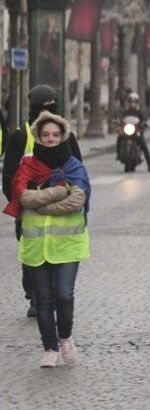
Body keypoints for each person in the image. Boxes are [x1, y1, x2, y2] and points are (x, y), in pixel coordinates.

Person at [4, 112, 91, 367]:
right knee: (42, 299)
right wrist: (58, 191)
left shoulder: (74, 166)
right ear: (38, 138)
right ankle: (50, 347)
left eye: (55, 135)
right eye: (45, 135)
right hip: (36, 245)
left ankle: (65, 338)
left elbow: (77, 201)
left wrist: (42, 202)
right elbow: (23, 197)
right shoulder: (26, 167)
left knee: (64, 295)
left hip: (67, 245)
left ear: (62, 136)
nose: (51, 139)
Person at [3, 85, 83, 318]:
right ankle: (36, 298)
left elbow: (78, 173)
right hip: (29, 210)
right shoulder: (20, 137)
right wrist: (20, 204)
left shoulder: (66, 136)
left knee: (58, 256)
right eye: (44, 107)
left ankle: (54, 295)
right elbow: (8, 176)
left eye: (53, 107)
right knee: (32, 257)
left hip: (61, 212)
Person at [118, 92, 150, 171]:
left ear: (137, 103)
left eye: (134, 102)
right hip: (126, 131)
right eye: (131, 102)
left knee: (144, 146)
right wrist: (118, 122)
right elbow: (120, 119)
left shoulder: (140, 113)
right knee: (119, 139)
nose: (132, 104)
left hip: (137, 132)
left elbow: (145, 119)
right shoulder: (125, 112)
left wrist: (145, 123)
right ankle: (119, 155)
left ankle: (149, 165)